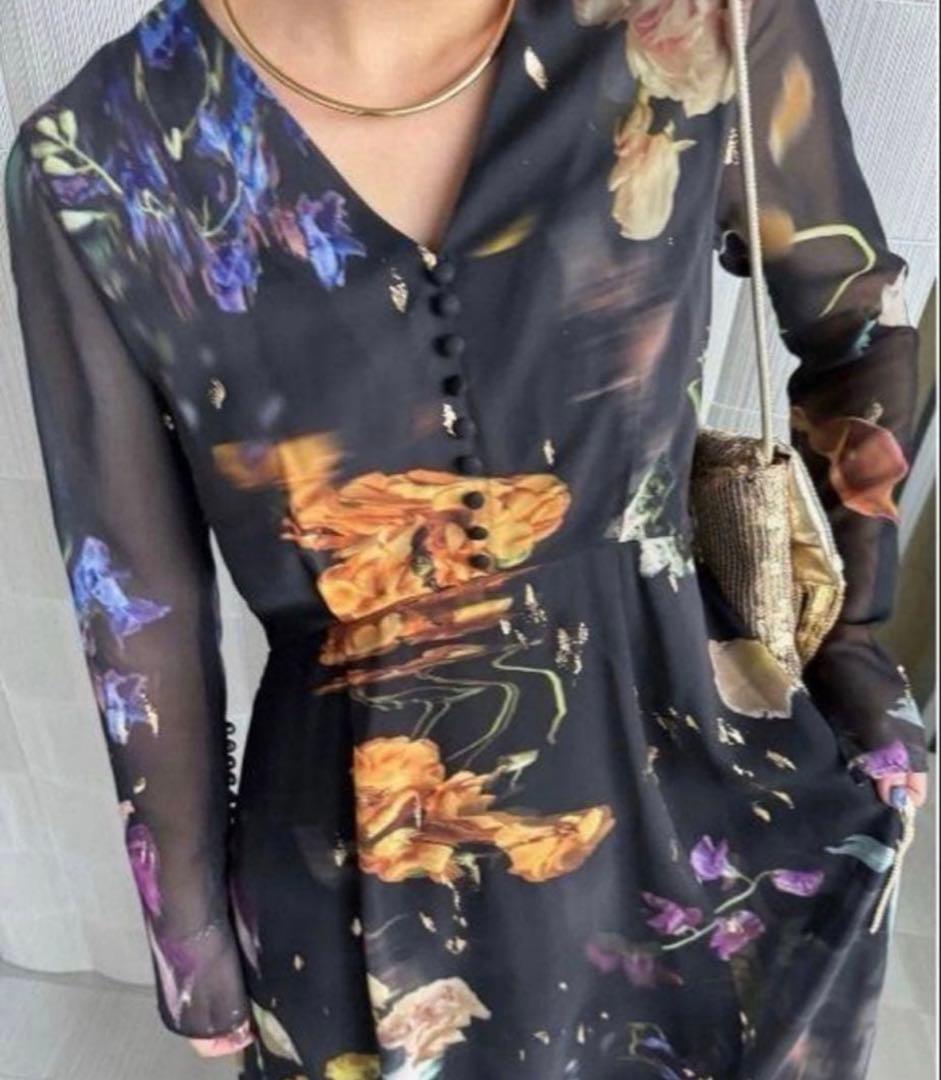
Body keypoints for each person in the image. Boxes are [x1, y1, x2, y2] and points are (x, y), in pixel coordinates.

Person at [3, 0, 930, 1075]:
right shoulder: (97, 161)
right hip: (366, 874)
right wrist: (189, 931)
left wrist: (853, 641)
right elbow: (132, 598)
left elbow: (853, 324)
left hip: (713, 794)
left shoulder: (694, 20)